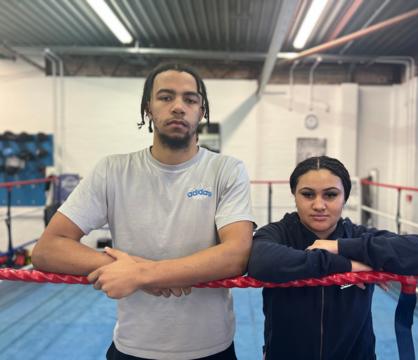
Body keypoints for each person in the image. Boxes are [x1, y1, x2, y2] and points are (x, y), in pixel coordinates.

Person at [32, 64, 255, 360]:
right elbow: (47, 250)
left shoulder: (226, 170)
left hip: (211, 349)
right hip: (132, 347)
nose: (178, 107)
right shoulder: (112, 171)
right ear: (147, 108)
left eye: (190, 99)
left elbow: (236, 254)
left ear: (202, 111)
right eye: (165, 97)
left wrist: (142, 274)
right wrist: (124, 269)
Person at [247, 156, 418, 360]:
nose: (319, 205)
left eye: (330, 195)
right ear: (294, 196)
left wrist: (340, 246)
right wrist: (347, 265)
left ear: (345, 198)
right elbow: (260, 261)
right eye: (308, 194)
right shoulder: (278, 234)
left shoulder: (357, 237)